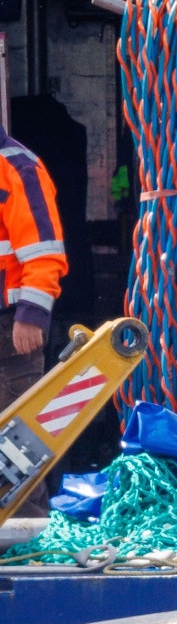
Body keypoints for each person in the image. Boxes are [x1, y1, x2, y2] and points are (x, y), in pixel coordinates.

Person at [0, 123, 69, 517]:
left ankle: (26, 546)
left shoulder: (19, 168)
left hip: (10, 331)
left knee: (16, 449)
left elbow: (44, 251)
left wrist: (30, 315)